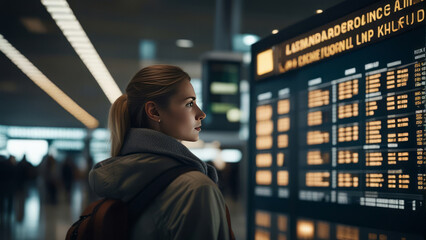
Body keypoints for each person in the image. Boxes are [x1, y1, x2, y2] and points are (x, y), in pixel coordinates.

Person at [89, 65, 233, 239]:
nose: (200, 113)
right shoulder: (195, 188)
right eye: (189, 103)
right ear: (154, 111)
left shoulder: (117, 174)